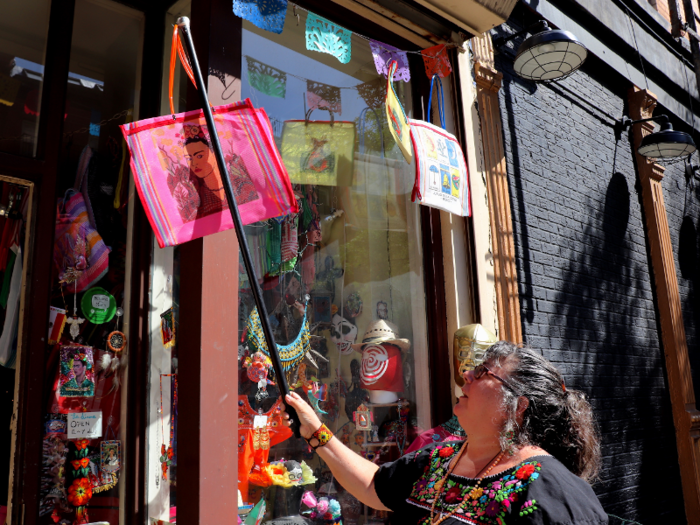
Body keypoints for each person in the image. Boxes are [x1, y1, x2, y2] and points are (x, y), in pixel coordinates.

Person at [282, 341, 608, 524]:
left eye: (482, 372)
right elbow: (374, 485)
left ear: (518, 406)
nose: (466, 374)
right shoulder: (442, 459)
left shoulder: (558, 496)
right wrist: (316, 432)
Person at [182, 126, 258, 219]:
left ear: (215, 154)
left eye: (200, 156)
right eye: (189, 159)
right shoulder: (193, 203)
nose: (194, 163)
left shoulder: (243, 186)